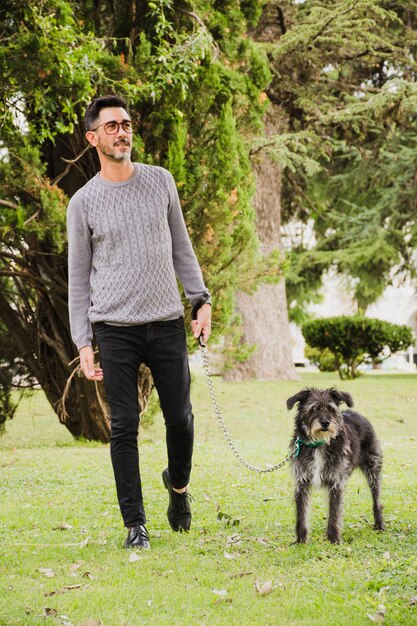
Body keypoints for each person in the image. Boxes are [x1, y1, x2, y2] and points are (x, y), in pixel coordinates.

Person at [67, 94, 211, 549]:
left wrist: (200, 299)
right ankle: (136, 525)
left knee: (182, 419)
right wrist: (83, 342)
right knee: (124, 425)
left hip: (166, 320)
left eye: (126, 124)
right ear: (93, 138)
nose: (122, 131)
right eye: (111, 126)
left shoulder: (160, 181)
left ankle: (179, 487)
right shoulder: (83, 203)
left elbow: (181, 249)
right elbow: (77, 280)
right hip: (114, 328)